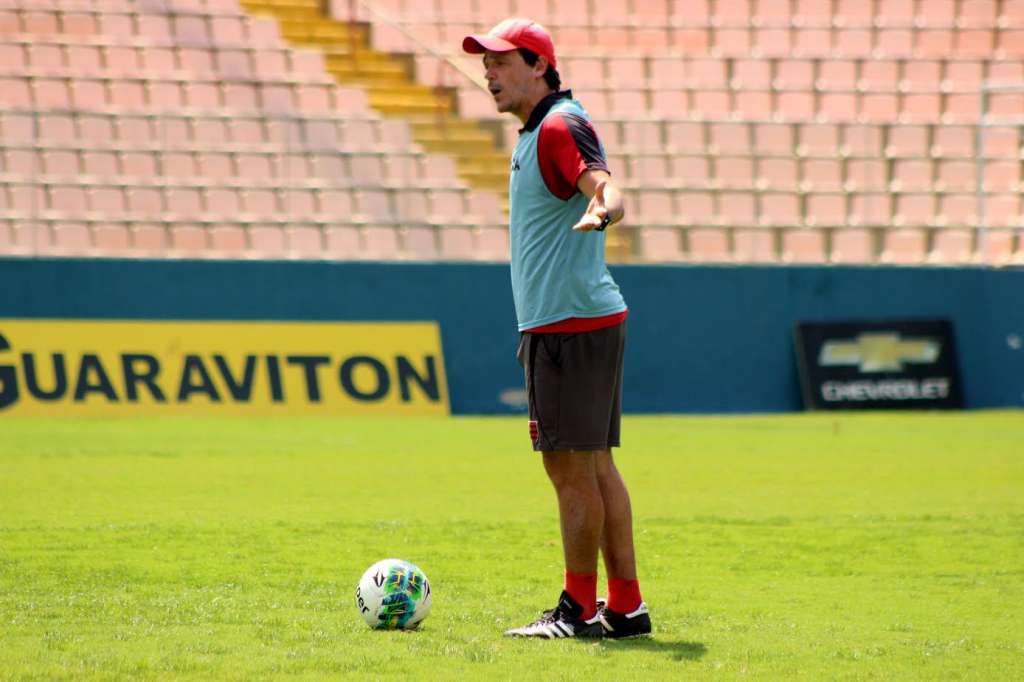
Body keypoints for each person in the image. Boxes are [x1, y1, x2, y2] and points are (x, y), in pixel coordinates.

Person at [462, 18, 652, 640]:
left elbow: (604, 184)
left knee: (571, 473)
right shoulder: (539, 129)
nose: (488, 73)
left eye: (500, 61)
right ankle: (624, 607)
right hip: (579, 322)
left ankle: (578, 611)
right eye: (485, 63)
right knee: (594, 469)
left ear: (538, 64)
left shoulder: (558, 125)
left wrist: (607, 208)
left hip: (569, 328)